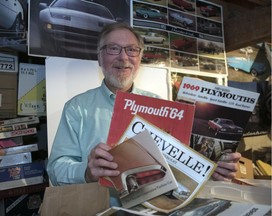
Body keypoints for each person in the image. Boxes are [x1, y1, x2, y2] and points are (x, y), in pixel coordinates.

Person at [46, 22, 241, 204]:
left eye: (131, 49)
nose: (123, 58)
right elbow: (55, 170)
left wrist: (212, 171)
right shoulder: (77, 107)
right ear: (99, 57)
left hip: (158, 208)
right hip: (102, 210)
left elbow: (180, 169)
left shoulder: (162, 105)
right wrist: (87, 172)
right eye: (113, 48)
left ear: (139, 58)